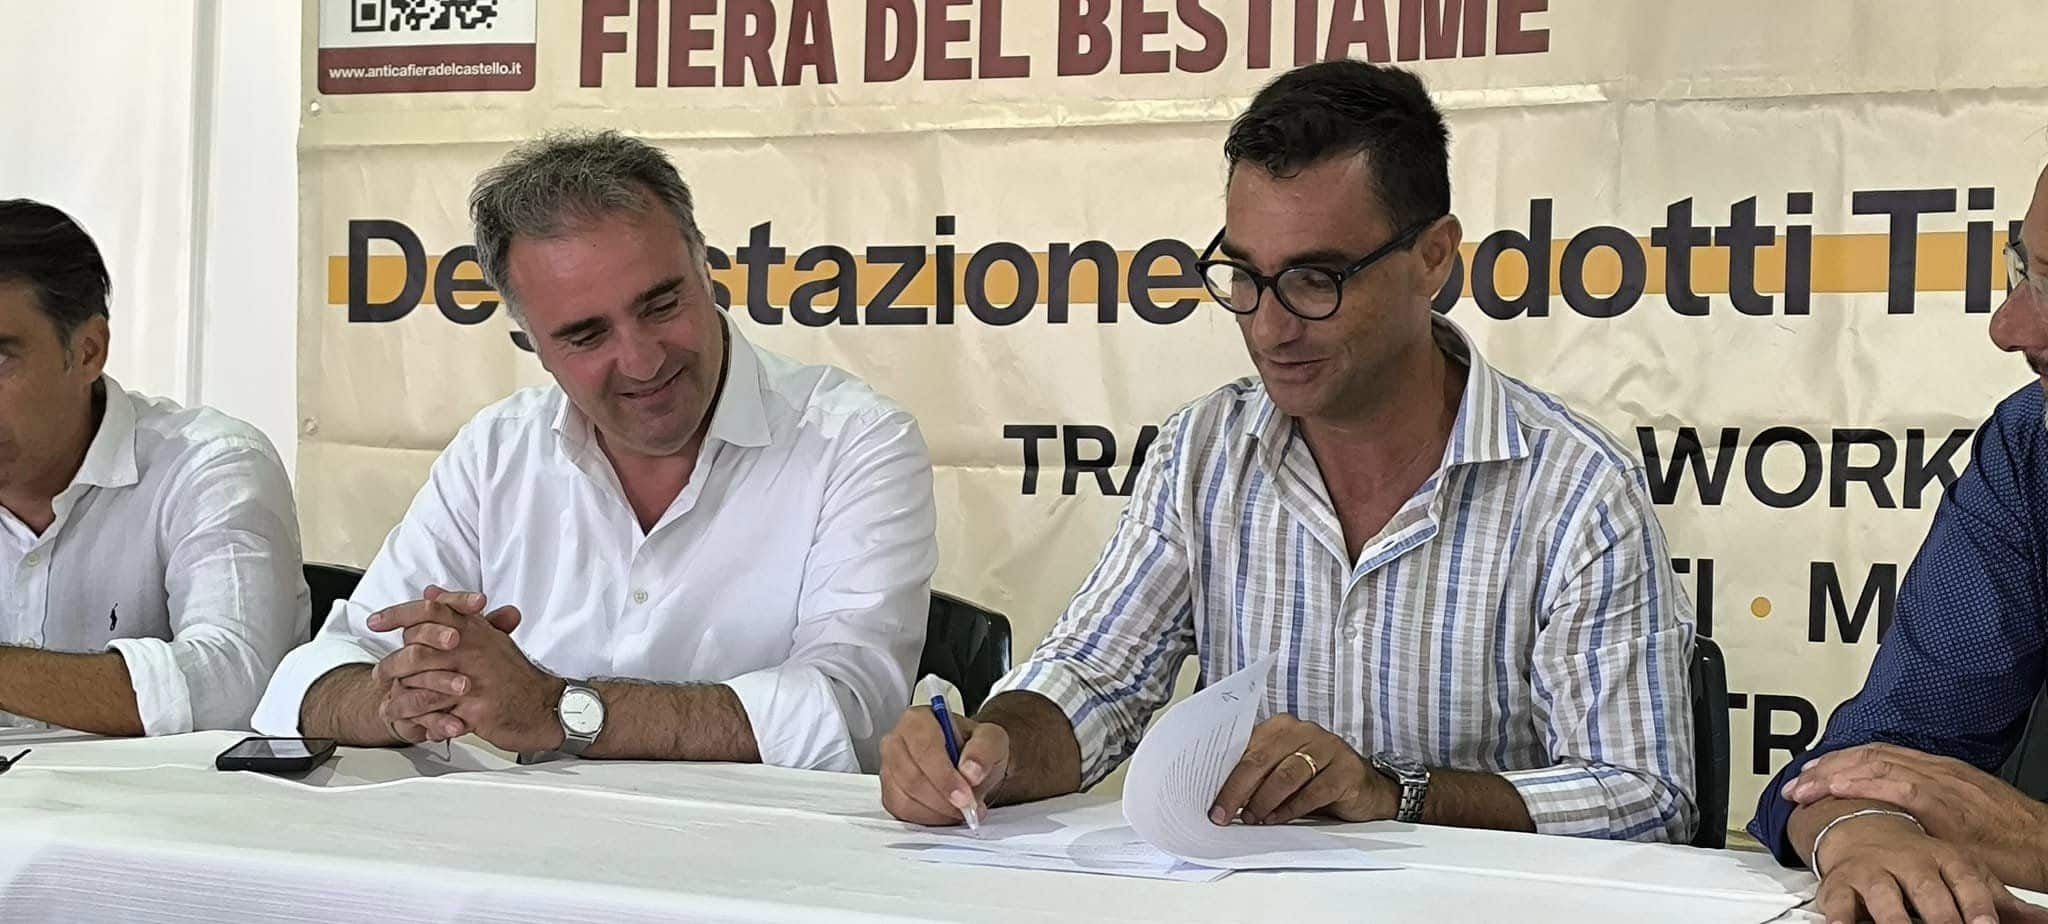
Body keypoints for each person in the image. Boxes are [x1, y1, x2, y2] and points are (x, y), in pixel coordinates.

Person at [879, 61, 1698, 843]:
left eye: (1316, 279)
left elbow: (1644, 798)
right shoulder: (1204, 452)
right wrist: (991, 752)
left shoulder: (1577, 491)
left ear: (1433, 258)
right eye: (1244, 275)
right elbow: (1095, 679)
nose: (1269, 327)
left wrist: (1394, 794)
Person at [250, 131, 938, 772]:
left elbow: (852, 713)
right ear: (531, 341)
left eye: (661, 305)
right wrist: (402, 701)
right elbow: (313, 680)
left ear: (705, 267)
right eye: (586, 336)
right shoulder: (497, 451)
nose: (642, 361)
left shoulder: (854, 441)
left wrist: (556, 710)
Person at [1749, 162, 2048, 924]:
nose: (2009, 327)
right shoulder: (2031, 450)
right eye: (2027, 271)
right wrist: (1864, 830)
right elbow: (1879, 753)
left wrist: (2034, 842)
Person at [0, 199, 305, 736]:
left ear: (88, 351)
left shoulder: (209, 464)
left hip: (162, 793)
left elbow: (237, 686)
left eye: (1, 360)